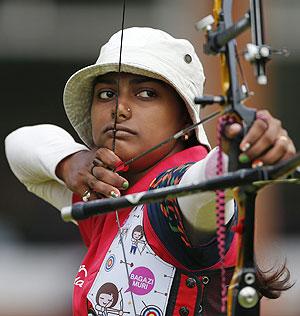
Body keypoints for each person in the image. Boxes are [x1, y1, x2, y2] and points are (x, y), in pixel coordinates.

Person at [5, 27, 296, 316]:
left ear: (185, 118)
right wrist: (70, 162)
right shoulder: (104, 188)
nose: (119, 109)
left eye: (146, 94)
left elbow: (207, 181)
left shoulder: (181, 194)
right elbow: (19, 144)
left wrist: (242, 149)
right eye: (106, 94)